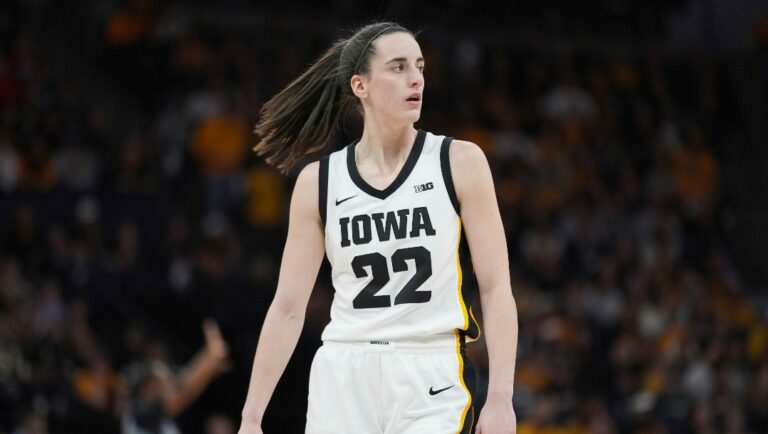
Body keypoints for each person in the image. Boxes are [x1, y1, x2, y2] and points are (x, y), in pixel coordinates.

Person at [239, 22, 518, 434]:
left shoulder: (459, 162)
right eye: (399, 67)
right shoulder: (319, 182)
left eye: (419, 66)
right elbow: (287, 308)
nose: (416, 78)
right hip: (343, 368)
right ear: (360, 86)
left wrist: (500, 398)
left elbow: (496, 288)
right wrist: (250, 418)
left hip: (429, 367)